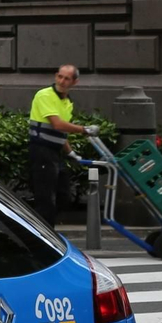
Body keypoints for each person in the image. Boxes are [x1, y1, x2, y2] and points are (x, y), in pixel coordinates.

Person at [29, 65, 96, 227]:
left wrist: (71, 153)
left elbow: (60, 132)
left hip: (55, 153)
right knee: (45, 198)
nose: (62, 81)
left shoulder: (66, 102)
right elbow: (57, 124)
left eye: (67, 78)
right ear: (55, 76)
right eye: (60, 77)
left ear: (74, 82)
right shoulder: (45, 95)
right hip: (41, 151)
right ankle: (43, 233)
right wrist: (84, 129)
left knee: (63, 195)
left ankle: (43, 228)